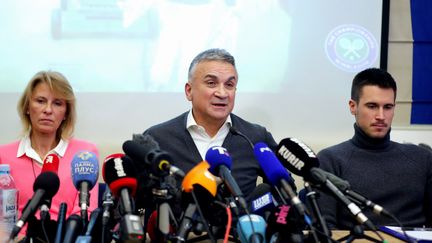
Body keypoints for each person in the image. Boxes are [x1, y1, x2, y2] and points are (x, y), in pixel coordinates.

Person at [143, 48, 278, 202]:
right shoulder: (157, 138)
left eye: (229, 85)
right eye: (211, 83)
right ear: (189, 91)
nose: (222, 93)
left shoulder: (255, 137)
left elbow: (284, 192)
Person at [317, 68, 432, 229]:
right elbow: (325, 231)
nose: (381, 116)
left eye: (388, 107)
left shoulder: (422, 159)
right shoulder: (330, 160)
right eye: (372, 106)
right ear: (353, 106)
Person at [0, 71, 99, 236]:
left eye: (57, 103)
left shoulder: (84, 154)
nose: (48, 110)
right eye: (40, 101)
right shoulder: (3, 155)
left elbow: (85, 212)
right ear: (27, 107)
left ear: (66, 112)